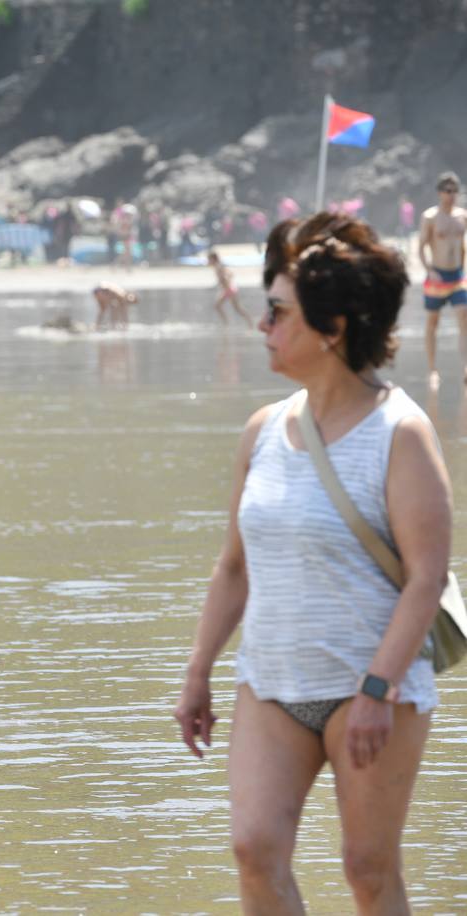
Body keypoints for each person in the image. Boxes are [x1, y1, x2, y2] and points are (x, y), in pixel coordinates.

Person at [173, 212, 448, 913]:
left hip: (372, 687)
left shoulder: (402, 432)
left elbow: (427, 577)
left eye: (277, 313)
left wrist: (378, 690)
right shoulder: (263, 429)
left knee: (368, 870)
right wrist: (199, 671)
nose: (263, 326)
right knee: (254, 851)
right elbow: (233, 566)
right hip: (271, 686)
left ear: (332, 329)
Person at [418, 171, 467, 389]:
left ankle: (466, 366)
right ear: (439, 193)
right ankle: (432, 369)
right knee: (432, 323)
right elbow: (420, 247)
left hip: (457, 276)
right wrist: (429, 270)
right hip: (437, 275)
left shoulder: (462, 216)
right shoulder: (429, 217)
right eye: (447, 191)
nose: (452, 195)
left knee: (464, 318)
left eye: (455, 190)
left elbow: (462, 246)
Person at [207, 249, 254, 326]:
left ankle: (249, 321)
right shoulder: (218, 266)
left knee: (237, 309)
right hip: (227, 290)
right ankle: (226, 323)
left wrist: (225, 280)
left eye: (209, 259)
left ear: (213, 259)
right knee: (217, 306)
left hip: (230, 290)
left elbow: (227, 276)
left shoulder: (219, 267)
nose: (208, 261)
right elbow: (229, 275)